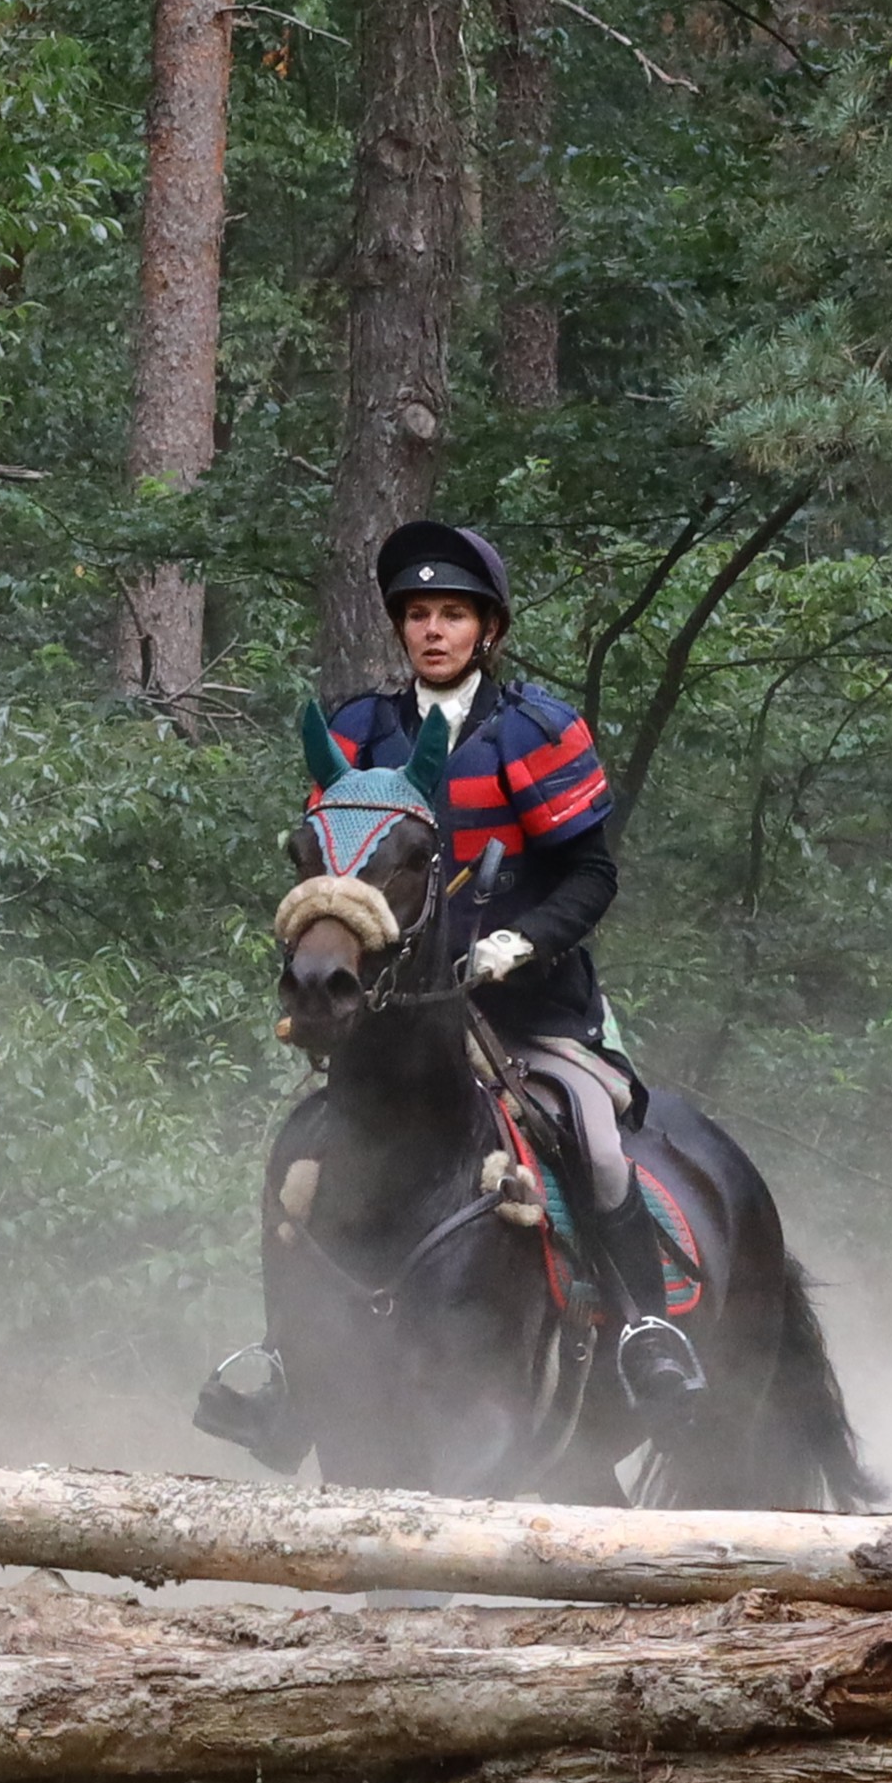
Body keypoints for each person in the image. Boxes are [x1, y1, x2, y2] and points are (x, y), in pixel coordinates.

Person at [323, 518, 704, 1411]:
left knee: (596, 1143)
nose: (432, 631)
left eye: (452, 614)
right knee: (310, 1150)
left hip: (529, 1009)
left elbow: (591, 874)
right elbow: (332, 868)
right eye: (417, 614)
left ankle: (647, 1331)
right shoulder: (358, 733)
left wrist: (518, 940)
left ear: (487, 629)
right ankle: (281, 1352)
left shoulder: (535, 730)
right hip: (397, 1017)